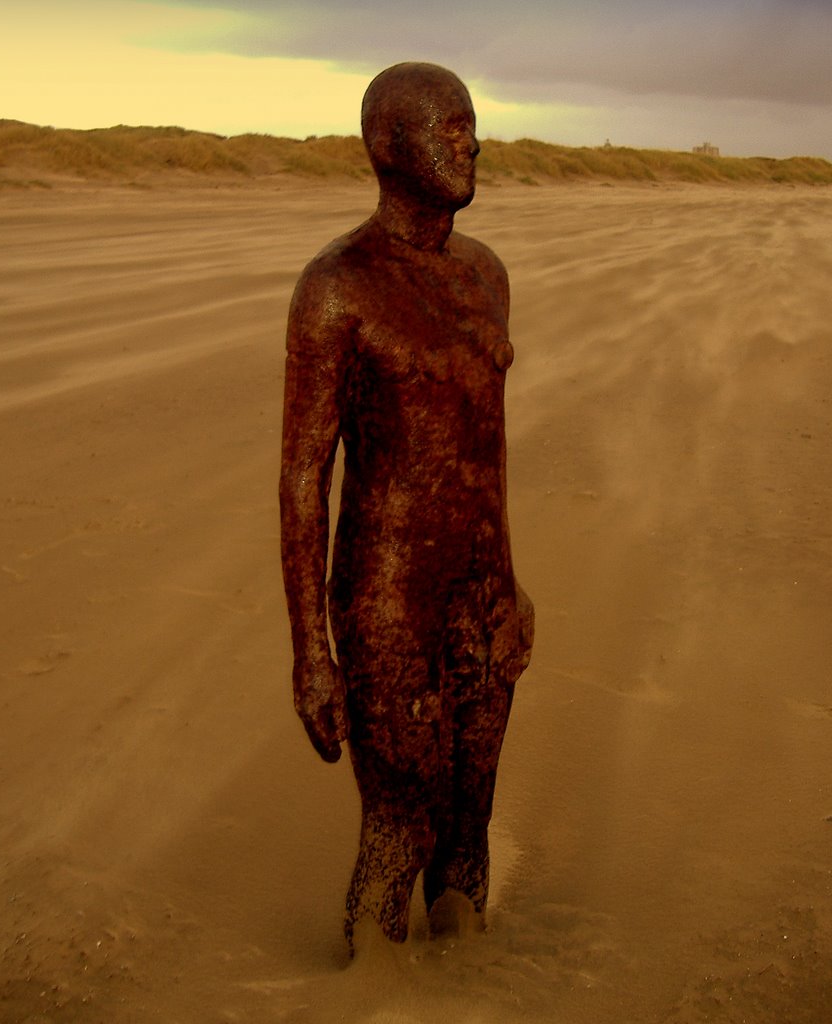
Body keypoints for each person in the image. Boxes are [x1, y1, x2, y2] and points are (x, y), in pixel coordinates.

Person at [279, 61, 534, 949]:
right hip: (385, 601)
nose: (470, 142)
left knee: (468, 824)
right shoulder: (337, 287)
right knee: (402, 821)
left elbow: (482, 453)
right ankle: (372, 994)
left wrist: (511, 586)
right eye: (448, 127)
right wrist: (312, 650)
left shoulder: (485, 274)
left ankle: (465, 987)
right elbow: (303, 475)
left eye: (470, 124)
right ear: (388, 146)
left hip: (481, 592)